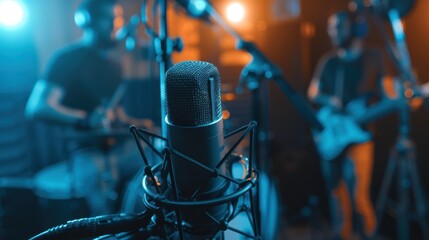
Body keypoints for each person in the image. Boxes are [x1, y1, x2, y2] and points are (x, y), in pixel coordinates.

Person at [25, 0, 151, 216]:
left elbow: (113, 113)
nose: (114, 25)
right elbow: (37, 107)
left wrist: (137, 124)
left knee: (155, 164)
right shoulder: (67, 59)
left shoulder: (114, 65)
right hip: (86, 150)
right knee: (99, 198)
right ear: (86, 21)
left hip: (119, 148)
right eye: (107, 19)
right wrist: (83, 119)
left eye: (117, 19)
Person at [308, 10, 387, 239]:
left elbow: (387, 95)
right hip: (333, 134)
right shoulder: (329, 61)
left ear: (355, 27)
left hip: (361, 136)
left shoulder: (374, 56)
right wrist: (329, 100)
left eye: (339, 26)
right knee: (336, 196)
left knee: (359, 198)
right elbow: (313, 92)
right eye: (331, 27)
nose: (333, 32)